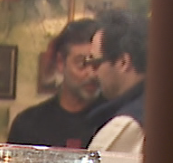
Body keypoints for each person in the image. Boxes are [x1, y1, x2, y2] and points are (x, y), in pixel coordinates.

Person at [6, 19, 103, 149]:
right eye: (82, 64)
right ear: (60, 63)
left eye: (97, 63)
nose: (92, 74)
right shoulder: (29, 124)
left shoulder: (113, 122)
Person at [87, 9, 148, 153]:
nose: (91, 73)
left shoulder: (126, 126)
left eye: (95, 64)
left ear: (123, 62)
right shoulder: (166, 108)